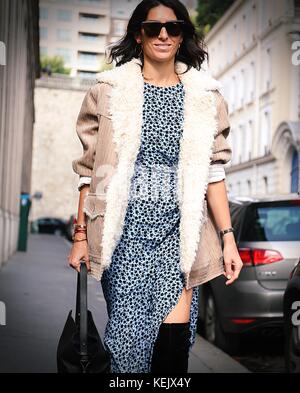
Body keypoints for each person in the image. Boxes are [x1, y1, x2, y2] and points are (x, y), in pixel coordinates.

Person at [68, 0, 243, 374]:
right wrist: (81, 236)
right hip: (125, 235)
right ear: (138, 34)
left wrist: (228, 237)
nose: (163, 34)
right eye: (153, 28)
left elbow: (214, 173)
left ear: (182, 37)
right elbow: (89, 172)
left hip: (179, 235)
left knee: (172, 350)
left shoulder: (205, 97)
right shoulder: (108, 91)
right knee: (127, 350)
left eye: (173, 28)